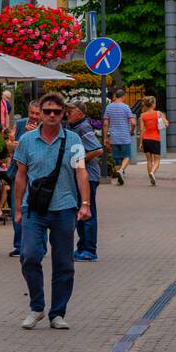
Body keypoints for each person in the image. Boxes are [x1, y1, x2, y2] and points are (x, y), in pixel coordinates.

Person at [14, 93, 90, 329]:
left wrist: (85, 204)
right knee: (29, 256)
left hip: (64, 208)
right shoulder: (27, 140)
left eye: (56, 112)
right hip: (34, 208)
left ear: (63, 114)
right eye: (47, 111)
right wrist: (17, 209)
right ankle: (37, 307)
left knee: (64, 262)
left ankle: (57, 313)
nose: (51, 115)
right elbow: (20, 175)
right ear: (41, 113)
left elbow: (81, 172)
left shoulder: (74, 140)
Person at [66, 101, 104, 261]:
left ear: (80, 112)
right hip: (81, 176)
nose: (67, 112)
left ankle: (89, 250)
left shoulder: (83, 127)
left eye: (71, 110)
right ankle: (83, 247)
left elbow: (97, 150)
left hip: (89, 176)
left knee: (88, 211)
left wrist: (78, 160)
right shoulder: (73, 127)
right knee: (81, 212)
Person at [6, 101, 42, 256]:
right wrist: (12, 143)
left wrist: (30, 136)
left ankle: (38, 246)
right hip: (18, 172)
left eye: (37, 113)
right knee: (17, 209)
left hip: (37, 175)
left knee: (38, 210)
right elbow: (9, 147)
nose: (34, 117)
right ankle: (19, 246)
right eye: (32, 113)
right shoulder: (19, 124)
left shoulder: (44, 128)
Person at [102, 87, 136, 185]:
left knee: (116, 159)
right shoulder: (126, 107)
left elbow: (105, 124)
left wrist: (105, 138)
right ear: (123, 96)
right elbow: (133, 122)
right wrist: (132, 131)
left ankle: (119, 179)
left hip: (114, 137)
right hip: (125, 136)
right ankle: (121, 171)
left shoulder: (109, 107)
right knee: (127, 156)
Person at [139, 96, 168, 186]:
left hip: (146, 139)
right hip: (155, 139)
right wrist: (162, 118)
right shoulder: (158, 113)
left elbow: (142, 130)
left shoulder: (142, 115)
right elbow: (166, 124)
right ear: (153, 104)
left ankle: (151, 176)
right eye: (155, 103)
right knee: (157, 160)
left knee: (149, 160)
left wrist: (140, 143)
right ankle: (152, 173)